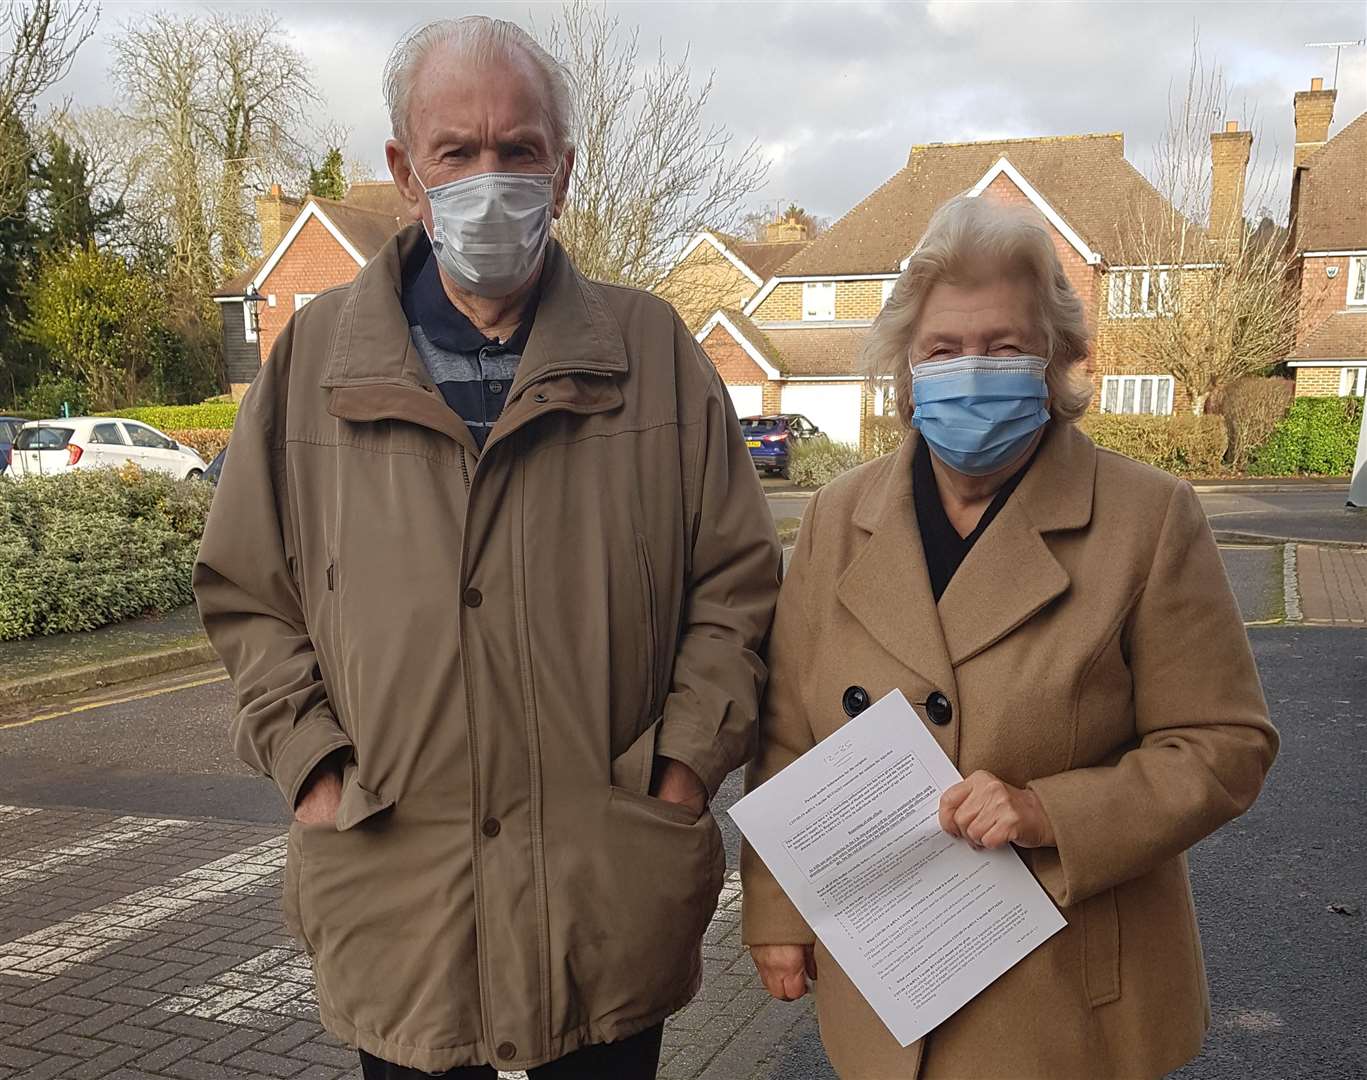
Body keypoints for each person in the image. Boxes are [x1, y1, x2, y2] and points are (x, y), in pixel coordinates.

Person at [193, 16, 779, 1079]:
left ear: (562, 170)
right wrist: (313, 767)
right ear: (404, 172)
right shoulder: (313, 361)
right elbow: (247, 592)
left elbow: (735, 587)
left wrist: (682, 767)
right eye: (456, 152)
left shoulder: (652, 353)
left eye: (519, 150)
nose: (490, 178)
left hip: (603, 889)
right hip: (398, 893)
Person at [740, 194, 1278, 1079]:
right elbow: (788, 733)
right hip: (890, 970)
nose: (970, 371)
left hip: (1067, 993)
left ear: (1058, 360)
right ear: (906, 374)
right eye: (943, 350)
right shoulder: (840, 515)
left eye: (1003, 347)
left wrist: (1047, 812)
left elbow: (1226, 746)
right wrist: (774, 910)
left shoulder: (1148, 517)